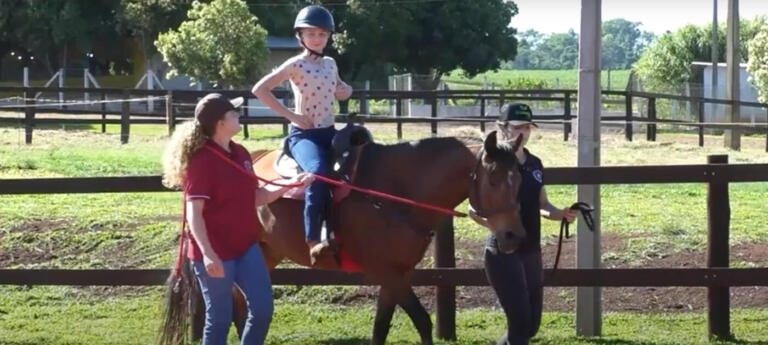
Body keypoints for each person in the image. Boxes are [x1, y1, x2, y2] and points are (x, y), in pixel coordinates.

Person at [161, 93, 312, 345]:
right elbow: (194, 213)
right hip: (215, 252)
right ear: (220, 123)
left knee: (262, 310)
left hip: (245, 248)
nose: (237, 116)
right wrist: (208, 254)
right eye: (233, 113)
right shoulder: (202, 162)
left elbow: (258, 196)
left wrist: (292, 183)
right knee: (219, 319)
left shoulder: (240, 153)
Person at [468, 103, 578, 345]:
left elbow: (542, 204)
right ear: (502, 128)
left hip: (531, 248)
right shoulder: (493, 163)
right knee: (519, 325)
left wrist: (561, 214)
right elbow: (473, 211)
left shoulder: (535, 163)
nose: (523, 133)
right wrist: (498, 230)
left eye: (527, 127)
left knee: (530, 326)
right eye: (518, 127)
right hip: (504, 252)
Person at [251, 5, 353, 263]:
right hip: (304, 136)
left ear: (328, 37)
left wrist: (346, 91)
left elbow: (341, 88)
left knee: (360, 165)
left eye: (322, 34)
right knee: (317, 173)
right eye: (311, 34)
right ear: (301, 36)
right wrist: (292, 116)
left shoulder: (330, 64)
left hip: (330, 133)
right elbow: (260, 89)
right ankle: (313, 239)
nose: (317, 39)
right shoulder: (295, 64)